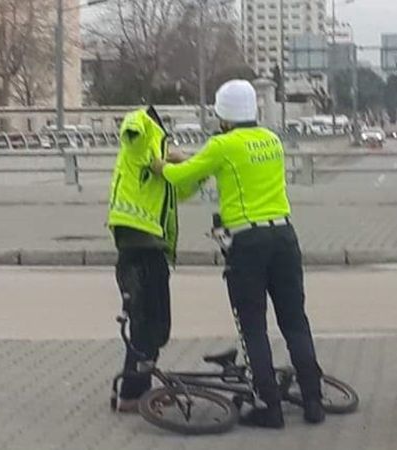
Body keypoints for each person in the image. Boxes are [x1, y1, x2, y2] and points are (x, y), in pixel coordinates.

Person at [151, 80, 325, 428]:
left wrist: (161, 165)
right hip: (284, 237)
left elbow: (184, 175)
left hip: (248, 244)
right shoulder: (271, 140)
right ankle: (314, 402)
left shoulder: (223, 144)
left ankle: (269, 408)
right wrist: (196, 161)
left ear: (222, 114)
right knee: (294, 321)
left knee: (253, 326)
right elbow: (227, 169)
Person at [108, 106, 200, 412]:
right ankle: (133, 395)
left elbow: (182, 191)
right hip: (138, 247)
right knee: (146, 325)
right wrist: (149, 130)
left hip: (153, 249)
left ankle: (138, 388)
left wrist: (187, 167)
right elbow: (132, 129)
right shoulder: (138, 143)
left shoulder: (159, 161)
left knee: (154, 325)